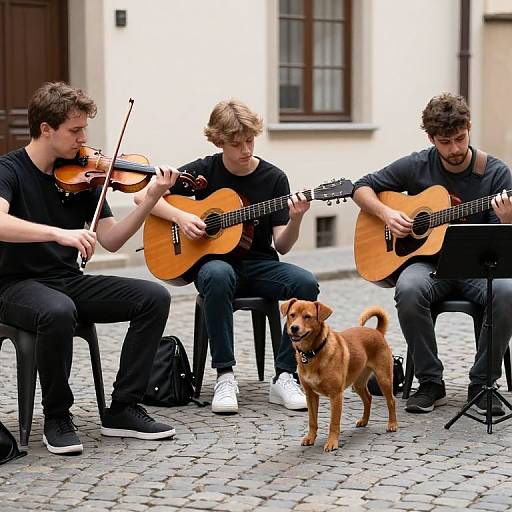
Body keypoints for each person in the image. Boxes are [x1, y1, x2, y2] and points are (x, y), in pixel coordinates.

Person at [0, 82, 178, 455]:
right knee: (57, 310)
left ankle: (124, 408)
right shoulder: (9, 170)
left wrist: (149, 200)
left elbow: (111, 239)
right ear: (46, 129)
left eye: (84, 129)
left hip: (66, 280)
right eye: (75, 130)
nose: (84, 139)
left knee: (153, 297)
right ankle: (57, 416)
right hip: (15, 284)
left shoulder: (84, 173)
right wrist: (58, 234)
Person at [135, 99, 319, 414]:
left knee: (306, 283)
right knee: (216, 275)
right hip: (216, 267)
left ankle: (286, 375)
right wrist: (182, 218)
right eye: (236, 144)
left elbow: (283, 245)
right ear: (219, 141)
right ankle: (225, 375)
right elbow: (144, 196)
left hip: (260, 264)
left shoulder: (273, 179)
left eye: (250, 140)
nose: (246, 149)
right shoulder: (202, 172)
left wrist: (297, 217)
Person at [353, 92, 512, 416]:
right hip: (427, 265)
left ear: (469, 127)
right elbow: (361, 187)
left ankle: (483, 384)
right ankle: (430, 382)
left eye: (459, 138)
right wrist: (386, 214)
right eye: (445, 142)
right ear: (431, 138)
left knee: (508, 290)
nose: (454, 149)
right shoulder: (418, 165)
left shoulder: (495, 174)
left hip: (477, 268)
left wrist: (508, 219)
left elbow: (506, 243)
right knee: (408, 289)